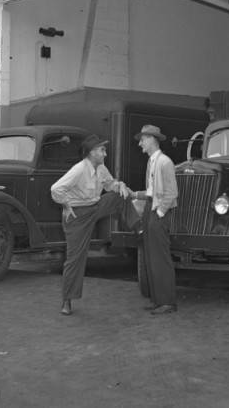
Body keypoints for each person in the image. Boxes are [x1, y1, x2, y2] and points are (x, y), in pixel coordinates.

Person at [51, 133, 132, 315]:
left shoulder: (101, 168)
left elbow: (110, 184)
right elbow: (55, 189)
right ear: (91, 153)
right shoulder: (79, 169)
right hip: (77, 216)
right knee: (75, 259)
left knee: (121, 195)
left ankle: (138, 227)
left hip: (94, 207)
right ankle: (67, 301)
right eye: (102, 150)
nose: (105, 153)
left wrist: (121, 185)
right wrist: (65, 203)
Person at [130, 124, 179, 315]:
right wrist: (135, 194)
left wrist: (159, 213)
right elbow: (152, 191)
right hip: (151, 210)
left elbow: (172, 193)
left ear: (152, 139)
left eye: (142, 139)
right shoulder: (153, 161)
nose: (140, 143)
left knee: (160, 258)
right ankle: (158, 300)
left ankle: (167, 302)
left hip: (158, 212)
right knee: (151, 257)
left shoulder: (164, 162)